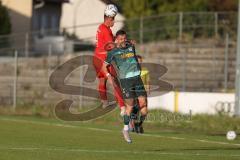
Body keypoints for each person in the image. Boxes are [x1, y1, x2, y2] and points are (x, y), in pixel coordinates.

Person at [102, 30, 148, 143]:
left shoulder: (131, 46)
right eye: (121, 39)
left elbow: (134, 53)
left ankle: (136, 122)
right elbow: (104, 67)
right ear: (117, 39)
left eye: (125, 38)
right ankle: (125, 129)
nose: (123, 41)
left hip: (137, 78)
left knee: (144, 108)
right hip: (126, 81)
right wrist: (108, 75)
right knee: (130, 107)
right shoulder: (112, 52)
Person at [93, 4, 125, 115]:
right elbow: (112, 46)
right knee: (114, 81)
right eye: (114, 19)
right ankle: (122, 108)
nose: (114, 22)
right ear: (110, 18)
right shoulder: (106, 30)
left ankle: (104, 103)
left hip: (96, 59)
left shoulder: (101, 27)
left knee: (102, 81)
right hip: (103, 61)